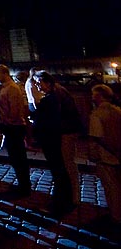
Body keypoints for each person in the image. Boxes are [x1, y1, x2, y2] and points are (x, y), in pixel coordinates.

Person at [32, 70, 82, 216]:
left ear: (47, 82)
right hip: (62, 133)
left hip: (58, 136)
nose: (37, 86)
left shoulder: (53, 97)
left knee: (62, 168)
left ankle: (64, 202)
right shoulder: (58, 93)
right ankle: (71, 198)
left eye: (39, 83)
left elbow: (50, 121)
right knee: (65, 167)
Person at [0, 64, 31, 197]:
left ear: (5, 73)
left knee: (19, 158)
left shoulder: (12, 88)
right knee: (15, 158)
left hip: (14, 127)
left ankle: (24, 186)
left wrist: (7, 123)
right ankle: (22, 184)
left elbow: (14, 111)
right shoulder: (7, 88)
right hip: (11, 127)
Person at [88, 84, 121, 223]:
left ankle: (116, 215)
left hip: (105, 156)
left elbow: (97, 137)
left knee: (110, 187)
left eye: (93, 95)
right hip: (117, 153)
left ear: (99, 96)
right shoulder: (118, 110)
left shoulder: (96, 115)